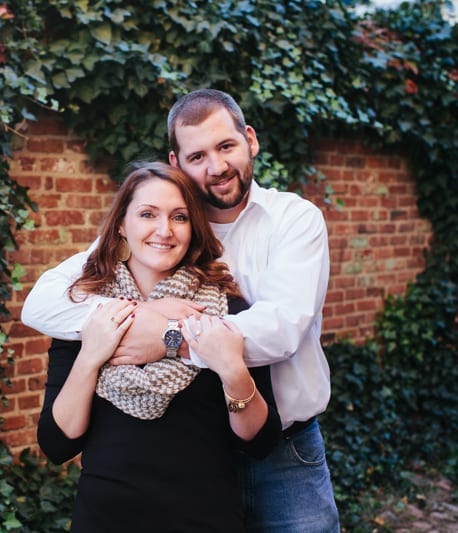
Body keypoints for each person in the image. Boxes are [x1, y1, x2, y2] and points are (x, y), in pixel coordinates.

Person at [23, 89, 340, 531]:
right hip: (176, 476)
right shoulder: (161, 222)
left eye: (226, 146)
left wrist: (169, 337)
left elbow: (281, 331)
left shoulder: (294, 219)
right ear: (177, 163)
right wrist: (127, 320)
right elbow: (42, 301)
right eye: (197, 156)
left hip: (283, 450)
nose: (216, 167)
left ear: (250, 139)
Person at [36, 161, 282, 532]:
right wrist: (90, 356)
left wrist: (232, 371)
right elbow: (57, 444)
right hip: (105, 520)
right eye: (148, 214)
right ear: (121, 224)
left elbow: (260, 442)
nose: (164, 231)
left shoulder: (227, 310)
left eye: (179, 217)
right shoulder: (87, 313)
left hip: (205, 519)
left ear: (193, 228)